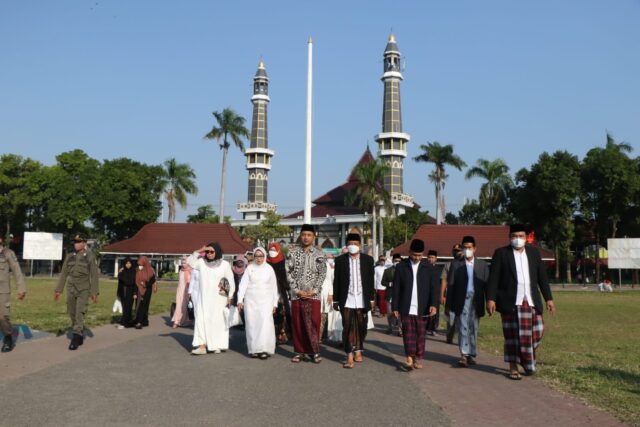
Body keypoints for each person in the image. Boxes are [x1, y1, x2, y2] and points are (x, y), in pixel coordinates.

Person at [487, 224, 556, 380]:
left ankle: (527, 359)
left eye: (521, 236)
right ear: (510, 237)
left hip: (531, 300)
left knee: (537, 332)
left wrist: (549, 299)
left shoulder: (534, 253)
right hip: (510, 301)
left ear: (526, 237)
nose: (517, 239)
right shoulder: (501, 254)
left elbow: (542, 278)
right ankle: (513, 367)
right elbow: (494, 278)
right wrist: (491, 299)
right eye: (514, 236)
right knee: (512, 336)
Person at [392, 239, 439, 370]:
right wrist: (395, 306)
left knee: (420, 334)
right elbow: (396, 288)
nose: (417, 257)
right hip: (405, 306)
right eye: (414, 255)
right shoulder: (401, 267)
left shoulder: (429, 268)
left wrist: (434, 305)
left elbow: (434, 288)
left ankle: (418, 357)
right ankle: (409, 357)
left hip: (423, 307)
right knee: (408, 333)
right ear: (409, 252)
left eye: (419, 255)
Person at [332, 233, 375, 369]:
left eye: (355, 244)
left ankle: (358, 349)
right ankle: (349, 355)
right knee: (347, 327)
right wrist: (336, 300)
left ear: (360, 246)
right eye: (350, 244)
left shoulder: (368, 260)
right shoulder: (340, 260)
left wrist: (372, 298)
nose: (353, 246)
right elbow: (337, 281)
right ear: (346, 245)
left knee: (362, 327)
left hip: (362, 299)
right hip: (347, 299)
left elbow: (370, 280)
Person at [446, 236, 489, 367]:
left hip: (476, 299)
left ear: (475, 249)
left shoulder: (482, 265)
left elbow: (487, 285)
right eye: (465, 247)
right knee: (463, 326)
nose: (467, 250)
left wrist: (490, 301)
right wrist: (449, 304)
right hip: (461, 299)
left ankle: (471, 353)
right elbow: (451, 284)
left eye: (469, 247)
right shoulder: (456, 264)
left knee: (473, 327)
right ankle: (464, 354)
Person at [286, 224, 326, 363]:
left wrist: (313, 291)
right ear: (300, 236)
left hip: (314, 295)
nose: (306, 238)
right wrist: (298, 291)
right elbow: (288, 273)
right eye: (303, 235)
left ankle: (314, 351)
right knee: (298, 323)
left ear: (313, 237)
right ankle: (299, 351)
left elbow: (322, 274)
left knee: (314, 322)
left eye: (309, 235)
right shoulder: (292, 253)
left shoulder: (319, 254)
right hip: (297, 295)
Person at [188, 242, 235, 355]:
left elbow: (230, 280)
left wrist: (230, 296)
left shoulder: (224, 264)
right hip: (203, 298)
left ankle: (216, 344)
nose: (209, 254)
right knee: (201, 320)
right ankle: (202, 346)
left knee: (217, 322)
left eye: (211, 252)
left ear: (217, 252)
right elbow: (190, 261)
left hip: (219, 298)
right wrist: (201, 249)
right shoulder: (201, 263)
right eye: (207, 252)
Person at [55, 234, 100, 350]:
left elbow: (94, 276)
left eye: (78, 242)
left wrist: (94, 292)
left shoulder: (90, 256)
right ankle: (79, 332)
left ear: (84, 243)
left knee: (80, 311)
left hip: (83, 289)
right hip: (71, 288)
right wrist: (58, 290)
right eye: (75, 242)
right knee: (71, 312)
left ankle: (76, 336)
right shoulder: (70, 256)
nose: (76, 244)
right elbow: (64, 273)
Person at [237, 247, 279, 359]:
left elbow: (274, 287)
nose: (259, 258)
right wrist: (240, 300)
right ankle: (254, 349)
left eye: (261, 256)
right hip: (251, 301)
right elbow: (243, 285)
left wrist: (275, 303)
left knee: (265, 324)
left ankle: (264, 349)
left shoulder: (269, 269)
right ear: (254, 256)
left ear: (264, 256)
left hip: (266, 301)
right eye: (257, 256)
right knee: (252, 324)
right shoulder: (249, 268)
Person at [0, 235, 26, 352]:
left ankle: (8, 336)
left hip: (2, 291)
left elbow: (17, 271)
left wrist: (21, 289)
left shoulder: (7, 253)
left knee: (2, 316)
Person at [267, 242, 291, 343]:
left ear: (279, 250)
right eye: (270, 250)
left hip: (281, 291)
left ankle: (283, 333)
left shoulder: (284, 262)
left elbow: (288, 277)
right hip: (268, 292)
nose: (272, 252)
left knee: (283, 312)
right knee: (271, 314)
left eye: (274, 250)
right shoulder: (266, 262)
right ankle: (272, 335)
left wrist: (287, 287)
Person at [441, 244, 463, 344]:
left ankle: (462, 339)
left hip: (463, 294)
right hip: (451, 294)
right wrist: (442, 295)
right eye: (454, 250)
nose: (456, 252)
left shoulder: (466, 263)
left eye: (458, 250)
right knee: (451, 318)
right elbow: (444, 280)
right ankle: (449, 336)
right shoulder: (448, 264)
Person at [133, 256, 157, 329]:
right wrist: (134, 293)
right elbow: (135, 282)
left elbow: (153, 280)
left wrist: (146, 284)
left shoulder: (150, 270)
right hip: (138, 290)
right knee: (139, 305)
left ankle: (143, 321)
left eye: (141, 265)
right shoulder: (137, 270)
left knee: (145, 306)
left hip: (147, 291)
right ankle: (140, 321)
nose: (140, 266)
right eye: (139, 265)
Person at [382, 253, 402, 336]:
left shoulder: (404, 270)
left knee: (400, 313)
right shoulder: (387, 271)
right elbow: (383, 282)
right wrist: (389, 284)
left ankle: (400, 330)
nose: (397, 262)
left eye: (399, 261)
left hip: (401, 295)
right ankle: (390, 327)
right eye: (395, 261)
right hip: (390, 294)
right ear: (392, 261)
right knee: (390, 313)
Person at [425, 250, 443, 336]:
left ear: (436, 259)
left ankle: (434, 329)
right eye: (429, 257)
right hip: (425, 293)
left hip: (436, 293)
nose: (430, 259)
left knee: (436, 311)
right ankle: (424, 328)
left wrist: (442, 294)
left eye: (432, 258)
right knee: (425, 310)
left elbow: (442, 282)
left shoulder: (439, 269)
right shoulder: (423, 268)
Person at [172, 256, 192, 329]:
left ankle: (185, 321)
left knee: (186, 307)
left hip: (188, 292)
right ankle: (176, 321)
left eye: (185, 262)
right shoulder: (181, 271)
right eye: (182, 262)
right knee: (178, 306)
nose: (183, 264)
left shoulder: (191, 271)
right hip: (180, 291)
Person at [117, 257, 136, 329]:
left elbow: (132, 282)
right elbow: (120, 282)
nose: (128, 265)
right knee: (124, 307)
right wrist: (120, 273)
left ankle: (123, 323)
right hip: (123, 292)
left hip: (130, 292)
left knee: (128, 307)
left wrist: (135, 293)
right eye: (126, 263)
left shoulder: (133, 271)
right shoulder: (122, 271)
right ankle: (127, 321)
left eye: (129, 263)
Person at [319, 252, 335, 341]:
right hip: (313, 294)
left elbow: (330, 280)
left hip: (325, 293)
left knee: (323, 315)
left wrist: (330, 294)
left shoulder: (327, 266)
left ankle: (320, 336)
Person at [231, 255, 247, 328]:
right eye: (238, 261)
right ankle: (234, 322)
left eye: (241, 261)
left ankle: (243, 323)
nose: (240, 263)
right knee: (234, 306)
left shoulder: (246, 270)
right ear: (236, 262)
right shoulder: (232, 270)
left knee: (243, 307)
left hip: (243, 292)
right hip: (234, 291)